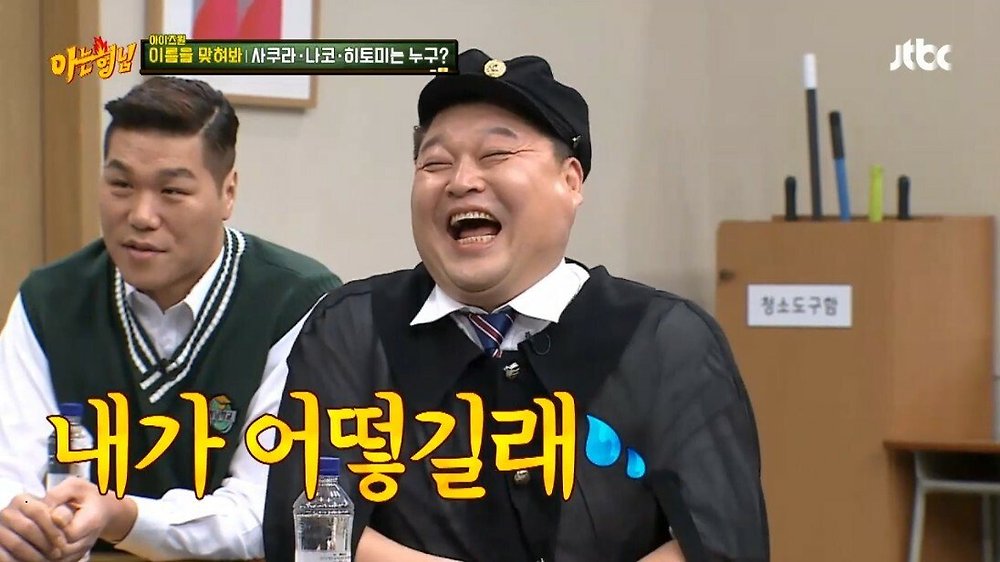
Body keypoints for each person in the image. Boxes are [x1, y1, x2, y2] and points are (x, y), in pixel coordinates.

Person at [262, 49, 769, 562]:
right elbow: (304, 528)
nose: (461, 181)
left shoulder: (663, 339)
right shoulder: (353, 328)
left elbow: (724, 542)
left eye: (496, 155)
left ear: (570, 181)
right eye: (435, 163)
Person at [0, 76, 341, 561]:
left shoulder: (299, 303)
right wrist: (19, 520)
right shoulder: (49, 300)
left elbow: (262, 512)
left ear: (227, 193)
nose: (141, 215)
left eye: (172, 191)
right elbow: (10, 474)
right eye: (120, 185)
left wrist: (122, 517)